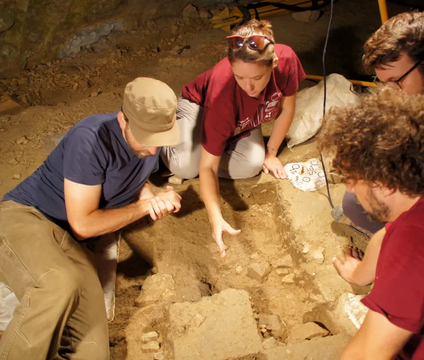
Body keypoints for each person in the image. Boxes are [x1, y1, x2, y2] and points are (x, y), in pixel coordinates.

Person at [0, 77, 182, 360]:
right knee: (59, 284)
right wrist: (143, 209)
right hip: (27, 216)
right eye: (147, 139)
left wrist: (153, 197)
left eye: (160, 141)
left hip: (72, 244)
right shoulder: (91, 138)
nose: (153, 150)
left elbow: (137, 178)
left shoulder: (150, 143)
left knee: (93, 351)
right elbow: (83, 225)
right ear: (123, 120)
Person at [318, 88, 424, 359]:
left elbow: (367, 353)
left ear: (386, 183)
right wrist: (358, 275)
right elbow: (387, 234)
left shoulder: (415, 247)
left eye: (353, 177)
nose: (349, 186)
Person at [161, 19, 305, 257]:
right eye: (239, 77)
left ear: (273, 64)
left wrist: (271, 153)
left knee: (252, 165)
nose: (248, 86)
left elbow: (287, 108)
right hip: (199, 107)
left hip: (243, 120)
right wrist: (216, 218)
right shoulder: (223, 92)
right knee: (185, 165)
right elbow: (207, 167)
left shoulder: (286, 60)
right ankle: (173, 134)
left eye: (257, 78)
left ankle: (217, 142)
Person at [339, 10, 424, 234]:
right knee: (354, 202)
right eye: (383, 83)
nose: (391, 93)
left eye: (396, 81)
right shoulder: (408, 96)